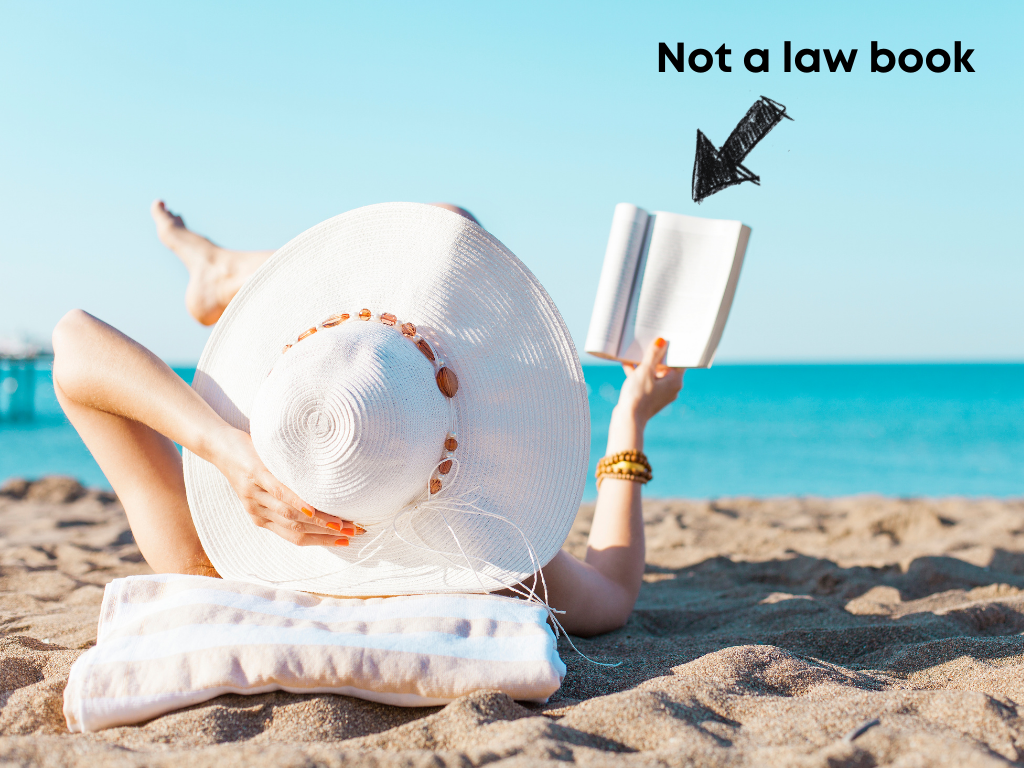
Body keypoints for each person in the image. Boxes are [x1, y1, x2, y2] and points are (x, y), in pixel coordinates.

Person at [51, 201, 683, 638]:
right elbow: (614, 590)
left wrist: (224, 449)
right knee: (449, 225)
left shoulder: (208, 561)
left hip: (250, 468)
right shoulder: (489, 568)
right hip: (396, 492)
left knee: (444, 227)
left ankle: (226, 274)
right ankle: (230, 274)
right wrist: (630, 417)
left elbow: (74, 342)